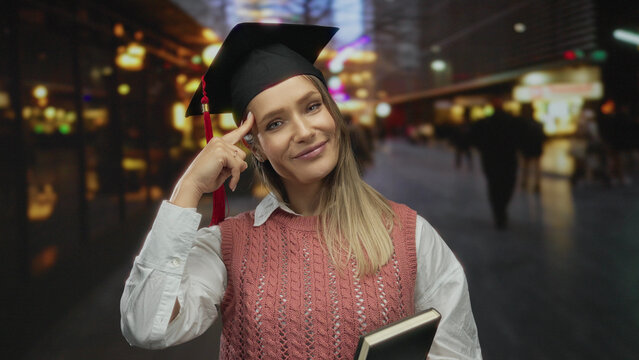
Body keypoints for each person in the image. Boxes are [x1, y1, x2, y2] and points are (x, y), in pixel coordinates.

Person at [120, 23, 481, 359]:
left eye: (312, 107)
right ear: (256, 146)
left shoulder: (409, 234)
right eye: (276, 123)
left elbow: (457, 352)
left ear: (333, 113)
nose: (305, 131)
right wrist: (189, 187)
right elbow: (145, 327)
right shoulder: (227, 245)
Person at [470, 98, 522, 229]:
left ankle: (499, 212)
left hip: (491, 160)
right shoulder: (511, 122)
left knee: (494, 187)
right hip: (507, 160)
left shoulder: (486, 123)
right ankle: (501, 210)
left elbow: (475, 138)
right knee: (506, 185)